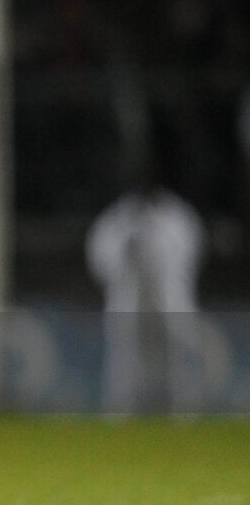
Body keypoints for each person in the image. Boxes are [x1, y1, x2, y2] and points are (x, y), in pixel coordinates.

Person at [86, 172, 206, 412]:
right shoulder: (118, 218)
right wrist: (122, 261)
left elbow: (192, 253)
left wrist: (163, 265)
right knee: (123, 354)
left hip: (170, 297)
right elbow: (99, 255)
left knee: (178, 352)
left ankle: (184, 408)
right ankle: (120, 408)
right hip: (129, 296)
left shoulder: (179, 216)